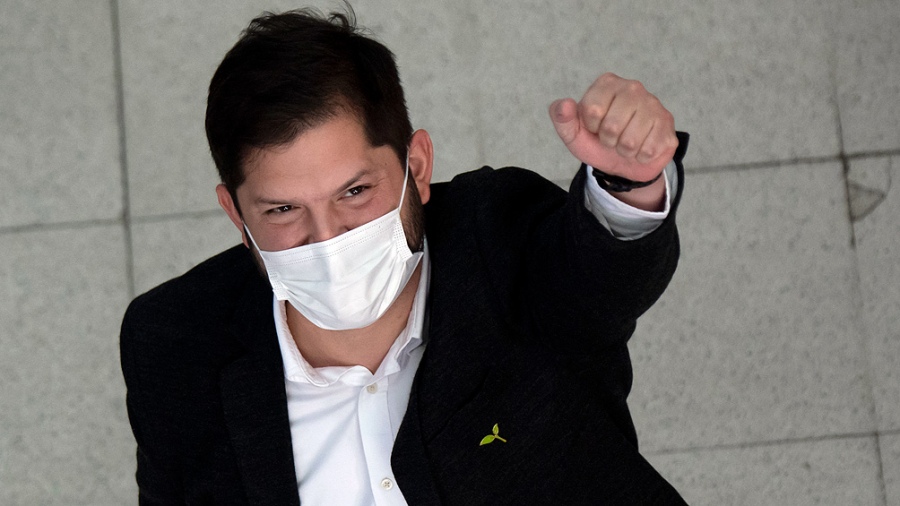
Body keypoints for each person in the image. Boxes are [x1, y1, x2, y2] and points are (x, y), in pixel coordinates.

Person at [120, 5, 689, 505]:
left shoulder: (497, 237)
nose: (328, 239)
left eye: (354, 192)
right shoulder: (174, 343)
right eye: (283, 210)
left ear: (416, 168)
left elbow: (601, 283)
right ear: (236, 215)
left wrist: (628, 184)